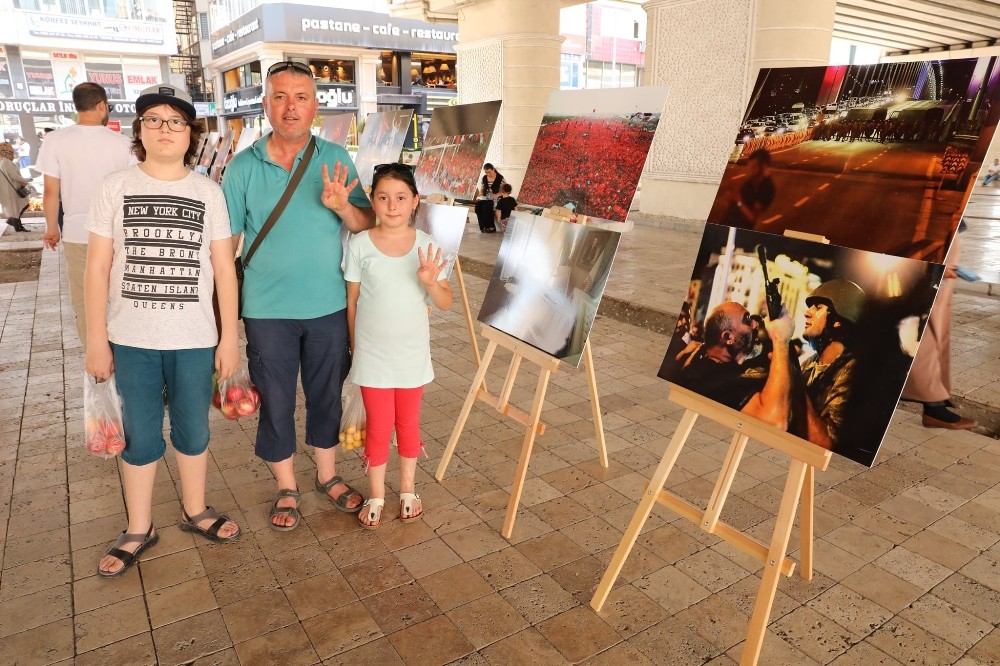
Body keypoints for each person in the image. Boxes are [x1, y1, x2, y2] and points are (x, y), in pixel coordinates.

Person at [84, 84, 242, 577]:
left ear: (191, 133)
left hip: (194, 339)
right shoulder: (115, 187)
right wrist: (96, 339)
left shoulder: (207, 192)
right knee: (141, 435)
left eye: (176, 121)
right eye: (153, 119)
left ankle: (195, 510)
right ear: (138, 130)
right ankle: (139, 526)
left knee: (194, 431)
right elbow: (96, 268)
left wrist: (229, 336)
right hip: (130, 338)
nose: (165, 128)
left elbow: (223, 269)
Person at [223, 60, 375, 531]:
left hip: (328, 305)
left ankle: (327, 476)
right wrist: (223, 323)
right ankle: (286, 486)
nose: (291, 107)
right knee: (276, 398)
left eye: (301, 97)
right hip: (267, 310)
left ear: (315, 106)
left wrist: (342, 205)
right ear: (266, 104)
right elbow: (225, 246)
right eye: (281, 97)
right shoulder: (242, 167)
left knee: (326, 394)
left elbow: (366, 224)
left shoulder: (335, 158)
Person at [344, 163, 453, 528]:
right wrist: (355, 350)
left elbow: (445, 302)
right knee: (379, 424)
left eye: (401, 198)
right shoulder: (359, 245)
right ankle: (376, 494)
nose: (392, 205)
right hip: (372, 355)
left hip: (411, 356)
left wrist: (430, 281)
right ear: (373, 201)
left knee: (407, 422)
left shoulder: (427, 246)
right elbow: (353, 302)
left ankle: (408, 489)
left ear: (415, 201)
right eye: (384, 197)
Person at [37, 82, 135, 349]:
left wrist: (51, 229)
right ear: (102, 105)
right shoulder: (124, 143)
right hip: (119, 233)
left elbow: (50, 191)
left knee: (84, 298)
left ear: (77, 106)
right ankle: (123, 349)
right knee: (121, 294)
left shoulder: (55, 140)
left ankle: (96, 354)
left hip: (78, 233)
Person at [670, 301, 794, 430]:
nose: (755, 324)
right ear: (728, 337)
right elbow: (774, 423)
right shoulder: (713, 380)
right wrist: (781, 340)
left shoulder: (707, 365)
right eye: (747, 320)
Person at [900, 233, 976, 429]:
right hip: (932, 249)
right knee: (925, 331)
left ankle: (935, 403)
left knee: (936, 328)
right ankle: (933, 404)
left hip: (942, 244)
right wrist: (933, 268)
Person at [797, 279, 866, 450]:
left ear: (838, 320)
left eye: (818, 307)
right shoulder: (809, 363)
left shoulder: (852, 372)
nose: (807, 313)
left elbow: (828, 441)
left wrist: (794, 386)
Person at [718, 148, 775, 229]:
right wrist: (731, 197)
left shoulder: (766, 188)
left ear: (763, 166)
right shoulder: (751, 181)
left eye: (753, 167)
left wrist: (738, 200)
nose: (749, 170)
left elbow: (752, 218)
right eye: (750, 166)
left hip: (739, 229)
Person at [0, 142, 30, 232]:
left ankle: (16, 225)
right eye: (11, 152)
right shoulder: (6, 162)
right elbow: (14, 176)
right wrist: (25, 181)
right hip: (12, 188)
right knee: (19, 206)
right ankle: (16, 225)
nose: (13, 154)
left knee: (15, 208)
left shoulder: (2, 162)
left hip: (8, 188)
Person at [474, 163, 504, 233]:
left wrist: (496, 195)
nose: (488, 174)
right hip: (485, 198)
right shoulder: (484, 178)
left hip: (496, 198)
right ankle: (483, 227)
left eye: (489, 172)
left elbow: (505, 191)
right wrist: (479, 196)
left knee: (486, 206)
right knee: (477, 207)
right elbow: (482, 189)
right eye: (486, 172)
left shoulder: (500, 178)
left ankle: (491, 227)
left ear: (493, 169)